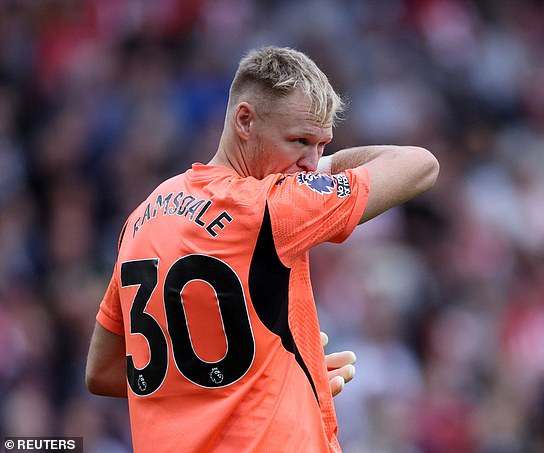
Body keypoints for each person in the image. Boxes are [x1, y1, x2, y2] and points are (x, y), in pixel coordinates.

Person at [86, 46, 439, 452]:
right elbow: (419, 164)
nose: (310, 161)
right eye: (299, 141)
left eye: (322, 146)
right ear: (245, 120)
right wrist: (323, 172)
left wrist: (272, 378)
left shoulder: (143, 215)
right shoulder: (268, 205)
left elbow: (105, 371)